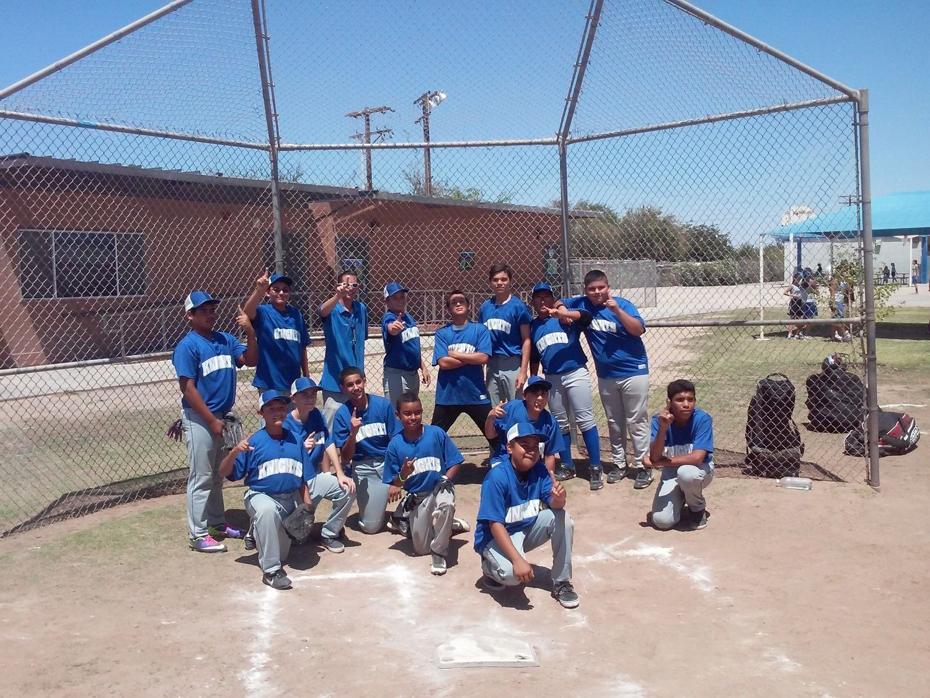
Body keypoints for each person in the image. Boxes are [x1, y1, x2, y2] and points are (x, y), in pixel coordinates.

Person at [172, 290, 257, 553]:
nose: (210, 314)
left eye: (212, 309)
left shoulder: (226, 340)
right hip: (201, 418)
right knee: (201, 477)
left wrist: (251, 333)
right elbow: (187, 388)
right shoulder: (188, 346)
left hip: (222, 417)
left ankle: (216, 525)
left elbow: (250, 360)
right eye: (203, 310)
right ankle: (197, 534)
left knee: (217, 476)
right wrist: (211, 421)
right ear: (190, 315)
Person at [562, 269, 653, 491]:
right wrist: (563, 309)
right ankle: (619, 463)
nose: (596, 292)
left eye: (600, 288)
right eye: (592, 289)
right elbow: (560, 301)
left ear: (608, 287)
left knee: (636, 420)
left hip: (633, 370)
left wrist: (618, 311)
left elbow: (638, 329)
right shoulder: (583, 304)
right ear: (585, 290)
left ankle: (643, 466)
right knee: (614, 422)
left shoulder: (623, 304)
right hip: (606, 375)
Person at [219, 391, 321, 589]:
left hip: (289, 500)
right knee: (266, 512)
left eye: (281, 408)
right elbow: (224, 473)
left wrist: (308, 507)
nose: (277, 413)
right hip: (261, 496)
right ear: (261, 413)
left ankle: (257, 533)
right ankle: (271, 571)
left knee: (282, 554)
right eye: (271, 409)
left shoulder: (296, 440)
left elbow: (302, 479)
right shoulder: (254, 442)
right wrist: (234, 452)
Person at [475, 422, 578, 609]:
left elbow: (555, 505)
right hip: (495, 538)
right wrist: (517, 560)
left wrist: (559, 498)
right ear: (509, 447)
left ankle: (562, 582)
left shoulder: (539, 470)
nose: (531, 451)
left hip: (524, 529)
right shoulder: (497, 477)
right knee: (512, 576)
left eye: (535, 446)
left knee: (564, 518)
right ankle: (489, 567)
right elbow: (495, 525)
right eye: (525, 445)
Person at [528, 282, 603, 486]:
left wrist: (562, 313)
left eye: (546, 297)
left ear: (553, 299)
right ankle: (567, 465)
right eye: (538, 297)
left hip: (575, 371)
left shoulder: (565, 318)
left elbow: (587, 317)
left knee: (584, 418)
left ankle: (595, 467)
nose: (542, 300)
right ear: (533, 302)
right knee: (559, 422)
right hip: (551, 378)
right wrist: (533, 379)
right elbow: (534, 356)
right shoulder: (534, 326)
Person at [383, 392, 466, 575]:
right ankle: (448, 526)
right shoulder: (395, 445)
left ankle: (439, 552)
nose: (413, 417)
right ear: (398, 415)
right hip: (419, 498)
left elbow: (456, 461)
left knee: (445, 504)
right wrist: (403, 475)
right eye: (407, 413)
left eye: (417, 412)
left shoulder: (435, 433)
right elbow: (396, 483)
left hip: (439, 488)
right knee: (421, 548)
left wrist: (447, 478)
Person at [283, 376, 356, 553]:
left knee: (347, 488)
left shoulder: (316, 415)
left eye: (313, 394)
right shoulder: (286, 424)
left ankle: (328, 534)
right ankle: (256, 531)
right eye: (304, 394)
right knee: (289, 541)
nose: (310, 398)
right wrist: (300, 449)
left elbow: (328, 442)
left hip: (313, 480)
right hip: (293, 488)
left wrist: (339, 473)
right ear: (294, 398)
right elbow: (284, 464)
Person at [332, 367, 398, 534]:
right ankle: (398, 516)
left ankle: (410, 512)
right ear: (342, 388)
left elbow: (396, 442)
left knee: (417, 468)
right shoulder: (342, 414)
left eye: (358, 382)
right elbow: (346, 458)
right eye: (349, 385)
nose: (355, 388)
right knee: (370, 527)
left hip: (386, 463)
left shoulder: (383, 405)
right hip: (363, 468)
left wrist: (396, 478)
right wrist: (353, 434)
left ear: (364, 381)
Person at [431, 290, 496, 454]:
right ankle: (430, 467)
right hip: (448, 396)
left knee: (494, 433)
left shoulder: (479, 330)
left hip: (476, 394)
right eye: (454, 302)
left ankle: (505, 465)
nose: (458, 304)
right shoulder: (442, 333)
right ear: (448, 308)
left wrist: (455, 354)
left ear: (468, 306)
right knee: (434, 436)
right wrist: (470, 358)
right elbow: (443, 363)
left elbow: (483, 358)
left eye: (461, 301)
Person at [648, 379, 714, 531]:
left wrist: (661, 462)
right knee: (661, 521)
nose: (686, 404)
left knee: (686, 474)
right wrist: (663, 428)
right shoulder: (658, 420)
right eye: (679, 400)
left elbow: (697, 457)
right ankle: (683, 494)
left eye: (690, 400)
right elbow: (654, 456)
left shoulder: (702, 419)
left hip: (699, 469)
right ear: (669, 402)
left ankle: (696, 508)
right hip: (671, 472)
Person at [242, 269, 310, 395]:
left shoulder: (296, 315)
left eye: (285, 289)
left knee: (293, 414)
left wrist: (306, 376)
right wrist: (259, 291)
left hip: (293, 382)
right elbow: (247, 312)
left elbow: (302, 348)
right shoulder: (263, 312)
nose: (281, 293)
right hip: (270, 382)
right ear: (268, 292)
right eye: (276, 289)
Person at [319, 270, 369, 429]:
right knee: (332, 429)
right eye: (346, 284)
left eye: (354, 285)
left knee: (354, 428)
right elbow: (322, 311)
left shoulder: (361, 309)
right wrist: (337, 296)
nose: (350, 288)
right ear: (338, 286)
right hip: (335, 381)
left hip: (355, 383)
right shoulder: (332, 309)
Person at [484, 376, 563, 472]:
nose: (540, 398)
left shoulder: (550, 422)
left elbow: (549, 455)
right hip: (504, 460)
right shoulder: (511, 408)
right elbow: (490, 435)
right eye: (535, 393)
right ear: (524, 395)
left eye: (544, 394)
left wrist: (550, 481)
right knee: (498, 480)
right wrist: (490, 416)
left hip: (530, 464)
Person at [479, 264, 532, 403]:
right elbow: (482, 340)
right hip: (491, 363)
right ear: (490, 282)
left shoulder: (518, 306)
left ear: (510, 281)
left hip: (512, 363)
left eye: (504, 279)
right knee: (494, 410)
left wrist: (523, 372)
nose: (500, 283)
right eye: (495, 279)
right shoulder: (485, 307)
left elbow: (526, 339)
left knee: (516, 405)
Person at [381, 281, 431, 407]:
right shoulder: (390, 317)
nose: (400, 300)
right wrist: (393, 328)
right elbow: (390, 328)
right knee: (396, 414)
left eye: (402, 297)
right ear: (387, 302)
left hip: (413, 374)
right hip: (397, 374)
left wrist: (423, 367)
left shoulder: (408, 317)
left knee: (410, 413)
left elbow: (413, 347)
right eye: (395, 298)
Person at [829, 274, 853, 342]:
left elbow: (849, 290)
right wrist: (833, 303)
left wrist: (849, 284)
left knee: (837, 318)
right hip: (835, 302)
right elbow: (832, 292)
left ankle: (834, 335)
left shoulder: (844, 283)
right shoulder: (834, 281)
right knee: (838, 319)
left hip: (840, 302)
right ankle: (844, 333)